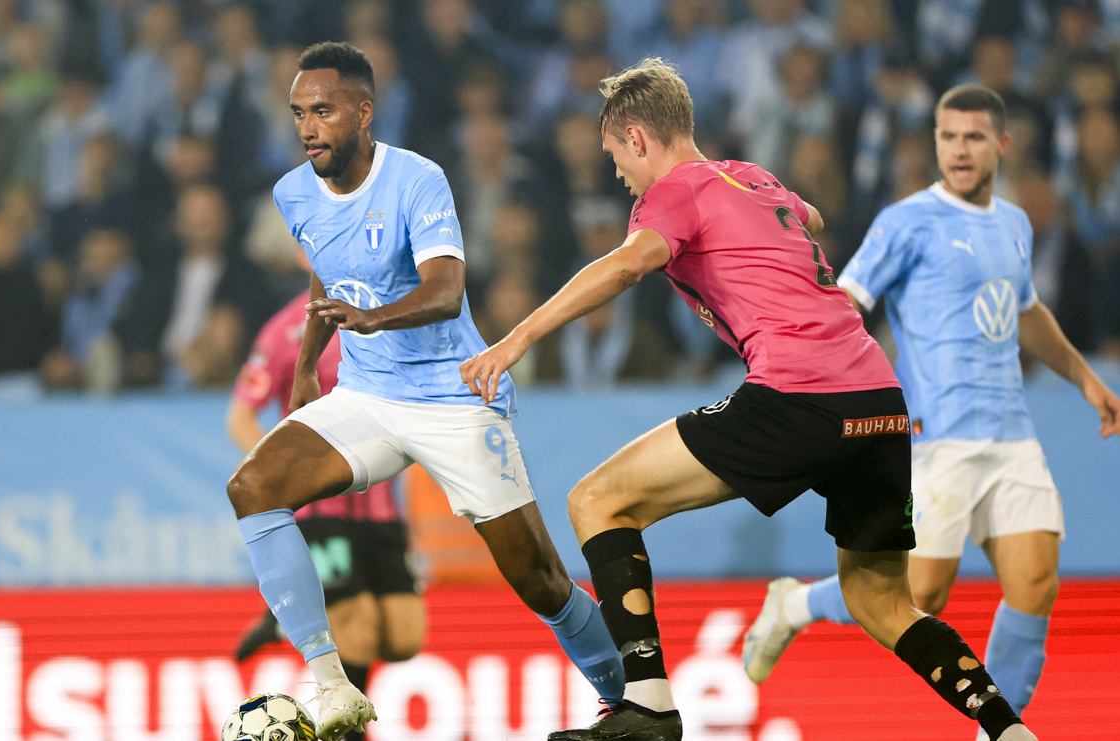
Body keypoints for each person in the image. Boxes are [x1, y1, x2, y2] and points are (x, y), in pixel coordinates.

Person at [461, 60, 1037, 741]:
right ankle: (1007, 729)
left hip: (798, 393)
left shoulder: (670, 193)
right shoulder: (754, 178)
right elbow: (810, 214)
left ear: (638, 138)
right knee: (880, 600)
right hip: (878, 399)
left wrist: (516, 337)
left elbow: (626, 263)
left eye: (617, 157)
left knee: (595, 499)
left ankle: (646, 703)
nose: (619, 177)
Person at [224, 41, 624, 741]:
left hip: (452, 397)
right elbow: (324, 271)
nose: (308, 127)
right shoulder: (293, 193)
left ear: (363, 111)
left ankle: (633, 699)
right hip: (367, 397)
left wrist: (369, 318)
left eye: (321, 111)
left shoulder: (416, 179)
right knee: (252, 485)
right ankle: (330, 683)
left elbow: (445, 289)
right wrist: (304, 368)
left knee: (541, 582)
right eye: (297, 114)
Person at [741, 84, 1120, 735]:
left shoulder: (1013, 223)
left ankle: (996, 729)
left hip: (1011, 438)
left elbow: (1025, 311)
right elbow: (846, 303)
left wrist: (1086, 378)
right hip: (936, 438)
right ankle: (796, 602)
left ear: (1001, 144)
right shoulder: (906, 221)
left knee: (1035, 585)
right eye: (947, 136)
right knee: (917, 597)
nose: (958, 148)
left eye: (973, 136)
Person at [226, 286, 425, 741]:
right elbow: (240, 416)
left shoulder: (390, 313)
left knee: (404, 638)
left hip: (381, 511)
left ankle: (282, 621)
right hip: (321, 509)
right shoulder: (285, 330)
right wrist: (286, 476)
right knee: (355, 631)